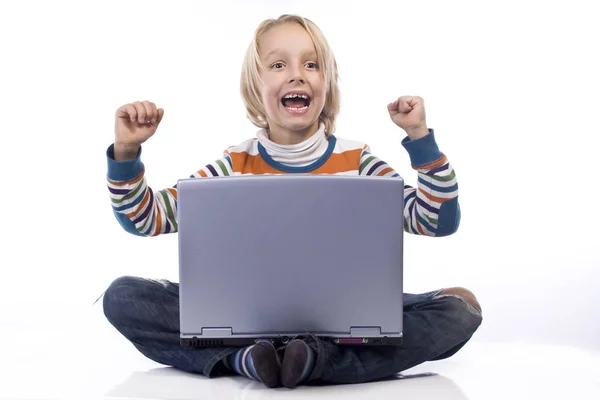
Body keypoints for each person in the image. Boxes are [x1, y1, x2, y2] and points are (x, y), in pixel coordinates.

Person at [102, 14, 483, 389]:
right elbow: (146, 218)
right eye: (279, 64)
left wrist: (419, 137)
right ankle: (252, 358)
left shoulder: (359, 162)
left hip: (341, 320)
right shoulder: (233, 164)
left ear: (327, 84)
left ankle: (311, 358)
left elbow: (437, 220)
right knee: (123, 296)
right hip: (244, 318)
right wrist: (127, 151)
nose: (297, 74)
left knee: (460, 309)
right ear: (256, 86)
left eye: (311, 64)